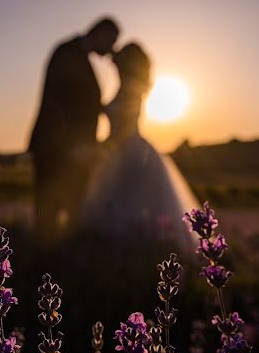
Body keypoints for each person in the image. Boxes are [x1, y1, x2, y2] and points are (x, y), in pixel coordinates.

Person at [79, 42, 199, 246]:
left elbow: (125, 123)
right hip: (119, 148)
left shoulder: (132, 90)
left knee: (129, 199)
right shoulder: (128, 87)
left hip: (126, 149)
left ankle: (131, 247)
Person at [27, 16, 120, 242]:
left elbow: (81, 103)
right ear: (101, 33)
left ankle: (57, 265)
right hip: (57, 149)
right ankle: (43, 269)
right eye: (111, 41)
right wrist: (76, 146)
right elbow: (64, 102)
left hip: (71, 151)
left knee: (67, 215)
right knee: (48, 216)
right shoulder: (67, 52)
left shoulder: (76, 55)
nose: (111, 50)